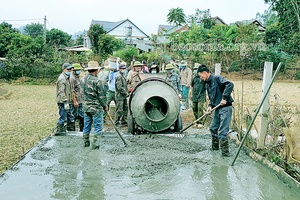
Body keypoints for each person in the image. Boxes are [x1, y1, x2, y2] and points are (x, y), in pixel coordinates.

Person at [197, 65, 234, 157]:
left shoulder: (217, 78)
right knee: (213, 128)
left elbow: (230, 84)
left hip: (225, 108)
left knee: (222, 131)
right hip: (217, 109)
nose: (201, 78)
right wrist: (210, 106)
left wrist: (224, 97)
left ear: (205, 73)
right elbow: (212, 98)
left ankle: (225, 155)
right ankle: (215, 149)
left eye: (201, 76)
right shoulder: (207, 84)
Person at [81, 61, 107, 149]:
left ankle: (86, 142)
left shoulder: (82, 79)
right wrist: (105, 106)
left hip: (85, 107)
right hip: (95, 108)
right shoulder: (97, 81)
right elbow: (102, 96)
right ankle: (95, 145)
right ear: (96, 70)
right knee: (98, 126)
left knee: (87, 125)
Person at [55, 63, 75, 135]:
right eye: (68, 69)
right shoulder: (62, 78)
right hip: (62, 101)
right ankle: (59, 131)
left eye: (70, 69)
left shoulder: (67, 77)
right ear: (64, 69)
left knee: (70, 116)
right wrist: (65, 101)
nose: (70, 71)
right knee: (63, 117)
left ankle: (70, 131)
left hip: (67, 101)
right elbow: (61, 91)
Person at [190, 63, 206, 128]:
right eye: (195, 69)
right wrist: (191, 92)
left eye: (196, 69)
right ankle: (197, 121)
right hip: (195, 95)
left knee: (200, 108)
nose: (195, 70)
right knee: (194, 108)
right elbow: (192, 85)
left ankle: (201, 122)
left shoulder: (203, 77)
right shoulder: (194, 77)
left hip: (201, 95)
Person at [70, 63, 84, 131]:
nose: (79, 71)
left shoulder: (77, 77)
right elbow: (72, 91)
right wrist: (75, 101)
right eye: (78, 70)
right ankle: (73, 131)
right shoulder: (72, 78)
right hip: (76, 101)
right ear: (74, 70)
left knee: (82, 116)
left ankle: (82, 130)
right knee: (74, 116)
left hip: (80, 100)